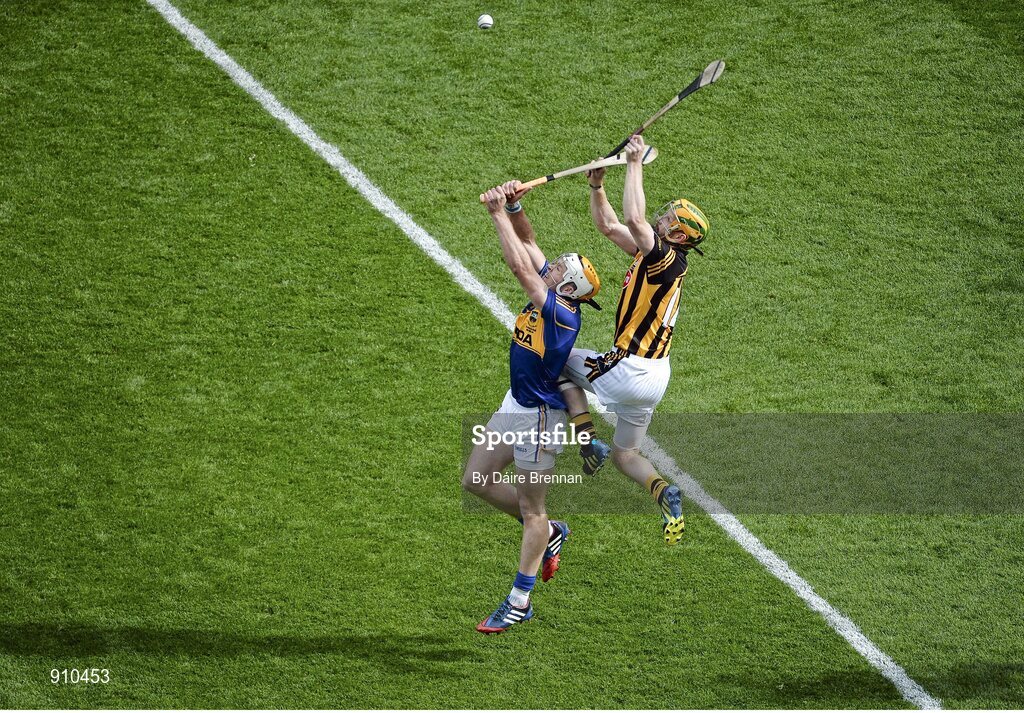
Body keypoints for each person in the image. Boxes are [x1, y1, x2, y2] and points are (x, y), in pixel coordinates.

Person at [463, 181, 607, 634]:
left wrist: (494, 214)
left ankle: (520, 600)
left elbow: (517, 263)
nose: (551, 262)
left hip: (540, 420)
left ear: (566, 284)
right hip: (516, 403)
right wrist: (515, 205)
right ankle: (552, 532)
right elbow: (526, 242)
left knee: (532, 511)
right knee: (476, 480)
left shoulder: (561, 311)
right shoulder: (559, 291)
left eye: (559, 265)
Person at [560, 135, 710, 545]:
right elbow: (610, 225)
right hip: (656, 378)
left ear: (679, 237)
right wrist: (596, 185)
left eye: (670, 221)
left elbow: (637, 220)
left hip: (629, 367)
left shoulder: (666, 258)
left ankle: (587, 442)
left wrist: (634, 163)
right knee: (627, 455)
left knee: (553, 360)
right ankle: (666, 493)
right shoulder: (654, 255)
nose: (662, 220)